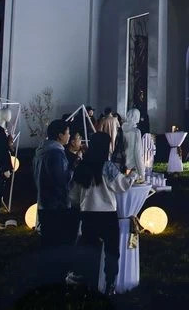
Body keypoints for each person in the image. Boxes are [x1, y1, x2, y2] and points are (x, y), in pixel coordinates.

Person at [71, 132, 134, 296]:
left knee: (90, 250)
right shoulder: (108, 166)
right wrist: (133, 176)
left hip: (88, 214)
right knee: (112, 252)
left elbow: (74, 195)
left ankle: (89, 283)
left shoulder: (81, 166)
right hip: (107, 214)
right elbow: (122, 185)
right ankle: (110, 284)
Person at [34, 119, 79, 284]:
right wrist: (73, 168)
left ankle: (47, 276)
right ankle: (58, 277)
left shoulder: (41, 151)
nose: (69, 136)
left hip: (44, 202)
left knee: (48, 241)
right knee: (58, 242)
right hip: (57, 205)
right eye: (67, 133)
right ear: (60, 135)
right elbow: (61, 181)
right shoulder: (56, 153)